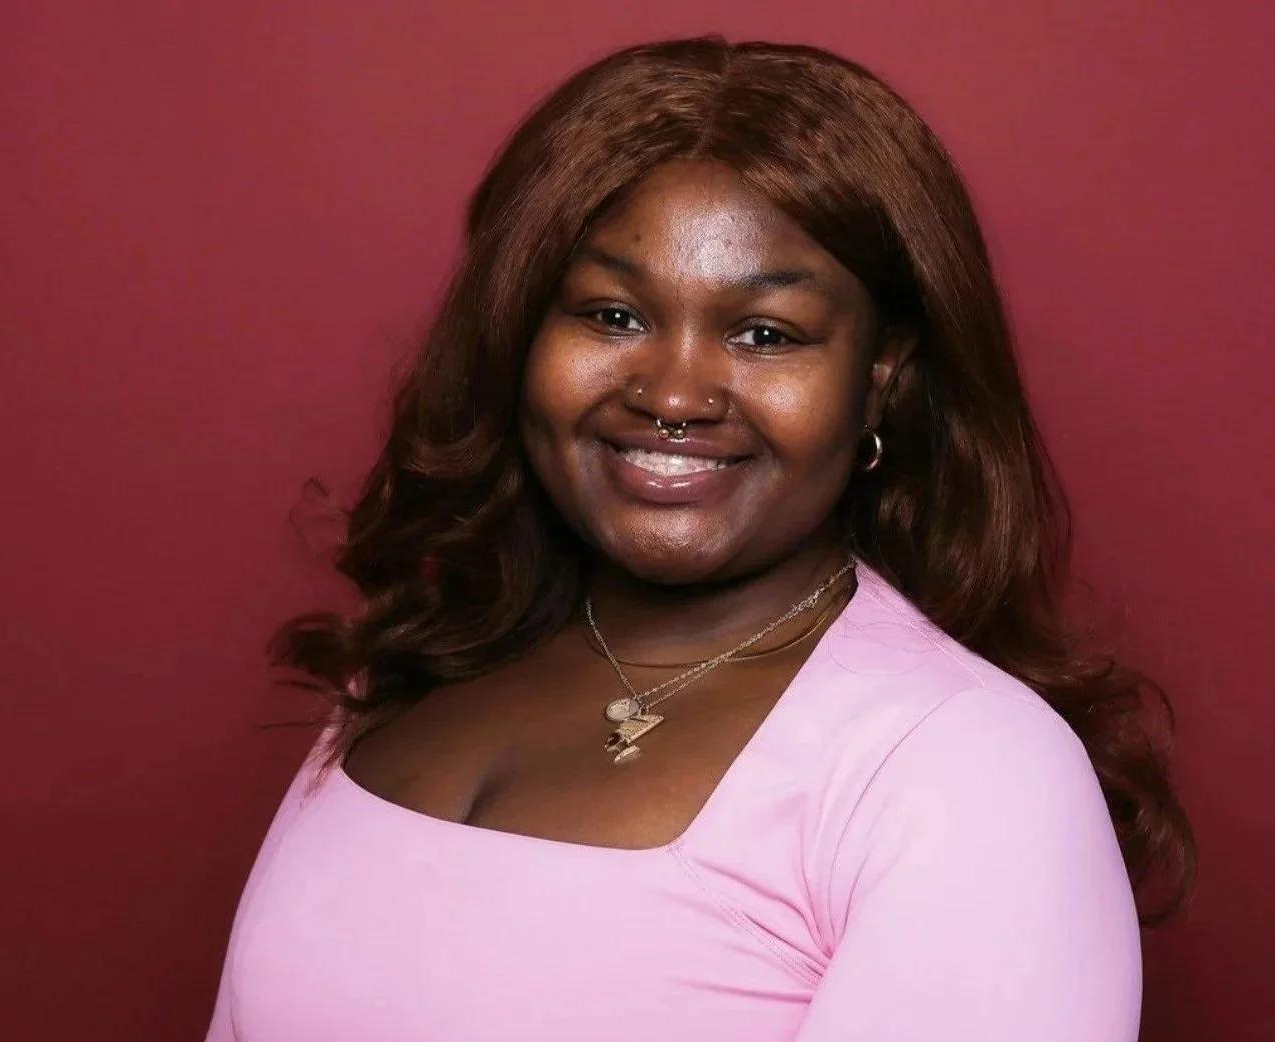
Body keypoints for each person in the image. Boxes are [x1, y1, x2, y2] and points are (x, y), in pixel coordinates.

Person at [205, 37, 1193, 1041]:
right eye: (614, 314)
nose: (674, 394)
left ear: (882, 375)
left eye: (765, 333)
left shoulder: (964, 768)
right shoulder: (413, 663)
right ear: (520, 337)